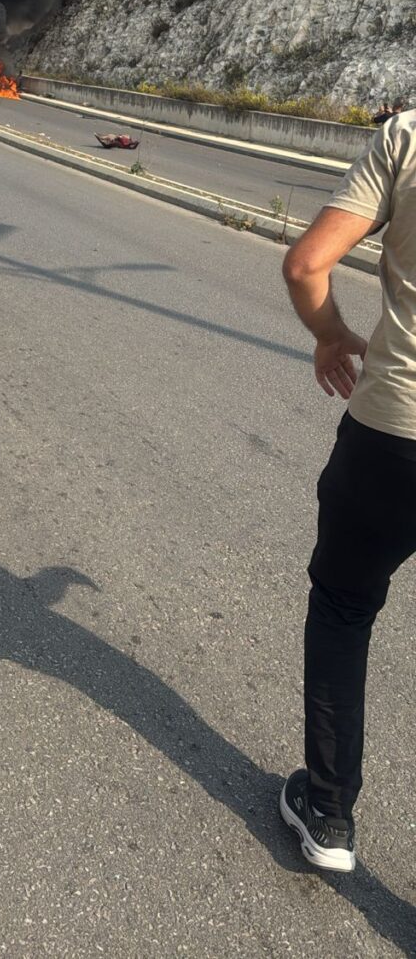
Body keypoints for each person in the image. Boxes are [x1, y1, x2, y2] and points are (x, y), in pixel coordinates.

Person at [281, 110, 416, 872]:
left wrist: (332, 333)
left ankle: (329, 815)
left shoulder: (407, 139)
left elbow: (306, 265)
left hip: (395, 434)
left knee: (342, 606)